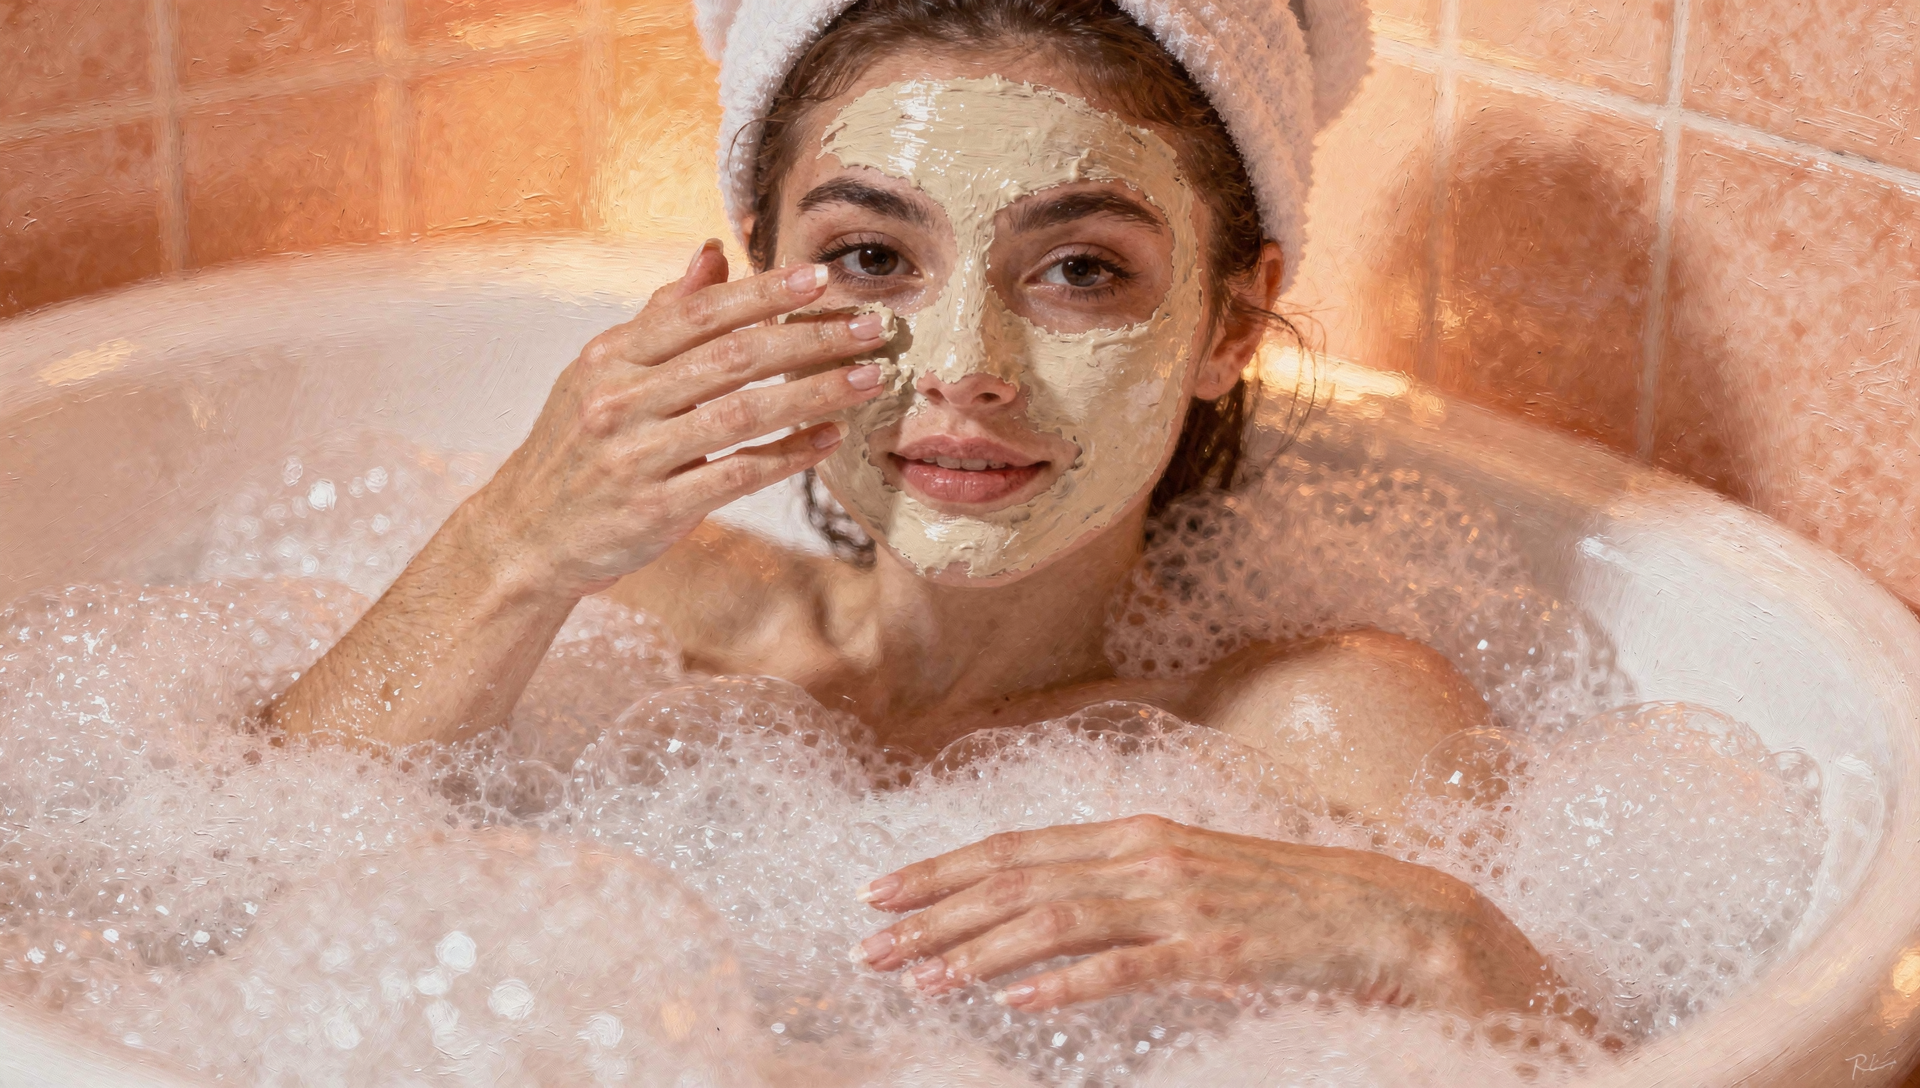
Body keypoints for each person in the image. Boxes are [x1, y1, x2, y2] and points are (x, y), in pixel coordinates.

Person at [267, 0, 1567, 1022]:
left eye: (1077, 269)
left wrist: (1433, 935)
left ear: (1227, 322)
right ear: (764, 273)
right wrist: (508, 541)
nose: (964, 366)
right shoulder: (628, 614)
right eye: (874, 257)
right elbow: (225, 905)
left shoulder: (1315, 736)